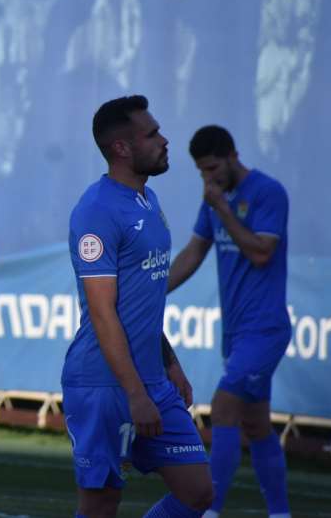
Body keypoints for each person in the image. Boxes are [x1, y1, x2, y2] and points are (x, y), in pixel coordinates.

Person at [62, 95, 213, 518]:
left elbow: (140, 302)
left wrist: (169, 363)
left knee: (198, 492)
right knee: (101, 504)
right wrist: (135, 394)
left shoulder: (149, 201)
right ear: (121, 148)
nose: (164, 141)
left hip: (151, 380)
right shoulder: (96, 210)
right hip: (105, 386)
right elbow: (103, 312)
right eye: (152, 134)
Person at [167, 125, 292, 518]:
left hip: (265, 329)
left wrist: (222, 207)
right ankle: (280, 514)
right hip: (236, 333)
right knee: (255, 425)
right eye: (202, 172)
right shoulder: (213, 199)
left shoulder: (268, 193)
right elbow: (193, 253)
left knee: (222, 410)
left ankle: (209, 512)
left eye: (213, 168)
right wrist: (152, 293)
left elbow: (261, 254)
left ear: (233, 155)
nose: (209, 178)